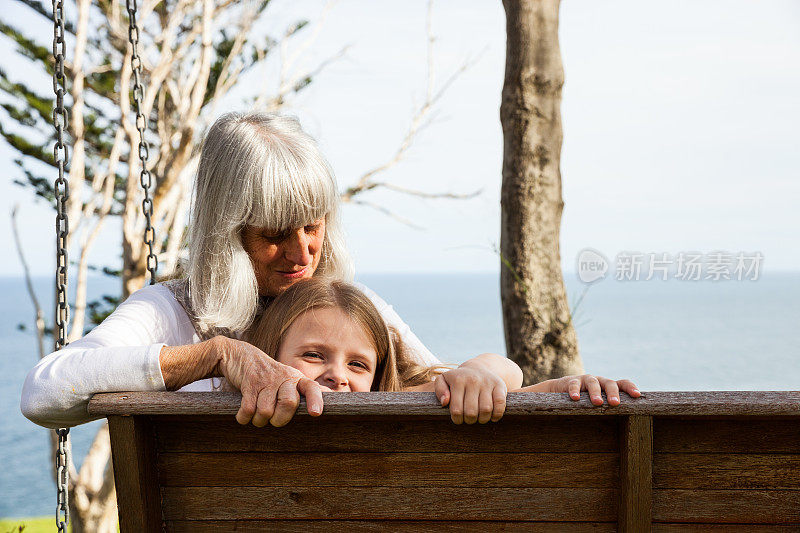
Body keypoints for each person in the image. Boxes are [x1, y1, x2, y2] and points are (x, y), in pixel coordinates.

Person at [20, 111, 637, 430]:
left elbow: (432, 381)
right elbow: (43, 391)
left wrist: (495, 374)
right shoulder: (168, 311)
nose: (302, 252)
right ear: (225, 231)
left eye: (312, 225)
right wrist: (214, 356)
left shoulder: (346, 305)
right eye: (274, 234)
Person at [247, 277, 640, 424]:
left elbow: (507, 372)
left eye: (358, 364)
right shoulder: (239, 407)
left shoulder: (392, 406)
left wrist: (561, 389)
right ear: (268, 356)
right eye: (314, 355)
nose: (338, 375)